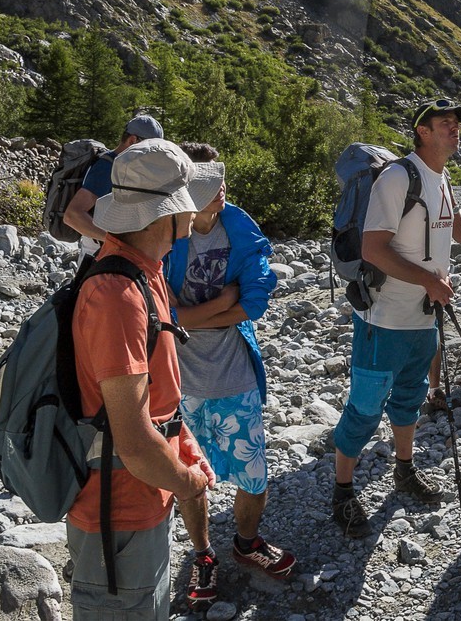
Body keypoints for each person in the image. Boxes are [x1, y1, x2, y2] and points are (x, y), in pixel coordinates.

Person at [67, 138, 220, 620]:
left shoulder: (143, 271)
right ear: (165, 214)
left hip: (139, 498)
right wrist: (187, 482)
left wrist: (182, 442)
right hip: (117, 514)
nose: (195, 210)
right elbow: (133, 442)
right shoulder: (118, 295)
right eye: (186, 200)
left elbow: (155, 397)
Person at [162, 144, 293, 606]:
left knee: (253, 474)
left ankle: (246, 544)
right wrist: (220, 305)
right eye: (209, 185)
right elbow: (159, 313)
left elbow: (254, 301)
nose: (221, 191)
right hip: (179, 379)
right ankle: (203, 554)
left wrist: (187, 316)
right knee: (188, 478)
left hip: (234, 370)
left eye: (221, 183)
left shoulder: (240, 228)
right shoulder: (165, 234)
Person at [331, 99, 461, 537]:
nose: (454, 129)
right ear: (422, 132)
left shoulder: (442, 177)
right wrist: (429, 280)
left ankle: (404, 469)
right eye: (444, 123)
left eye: (456, 124)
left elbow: (450, 235)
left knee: (409, 397)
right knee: (366, 406)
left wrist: (438, 272)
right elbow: (374, 249)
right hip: (384, 316)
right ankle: (342, 489)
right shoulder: (396, 178)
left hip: (422, 316)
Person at [63, 113, 165, 261]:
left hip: (112, 253)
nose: (152, 157)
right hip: (99, 255)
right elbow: (72, 215)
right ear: (132, 140)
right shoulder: (106, 168)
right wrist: (118, 241)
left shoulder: (124, 167)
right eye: (150, 149)